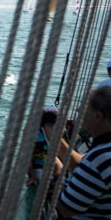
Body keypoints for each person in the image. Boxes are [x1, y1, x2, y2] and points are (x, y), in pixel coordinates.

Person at [57, 86, 111, 219]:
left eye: (84, 108)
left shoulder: (99, 158)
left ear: (98, 116)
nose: (78, 110)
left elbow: (66, 208)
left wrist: (56, 179)